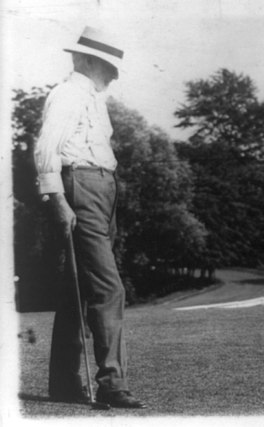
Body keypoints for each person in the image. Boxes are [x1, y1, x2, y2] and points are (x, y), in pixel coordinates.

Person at [34, 26, 146, 409]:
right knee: (107, 288)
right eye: (107, 66)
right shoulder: (68, 93)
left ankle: (64, 383)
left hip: (101, 188)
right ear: (87, 61)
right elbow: (47, 148)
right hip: (81, 185)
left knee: (77, 291)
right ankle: (112, 384)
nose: (113, 74)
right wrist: (58, 199)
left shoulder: (93, 97)